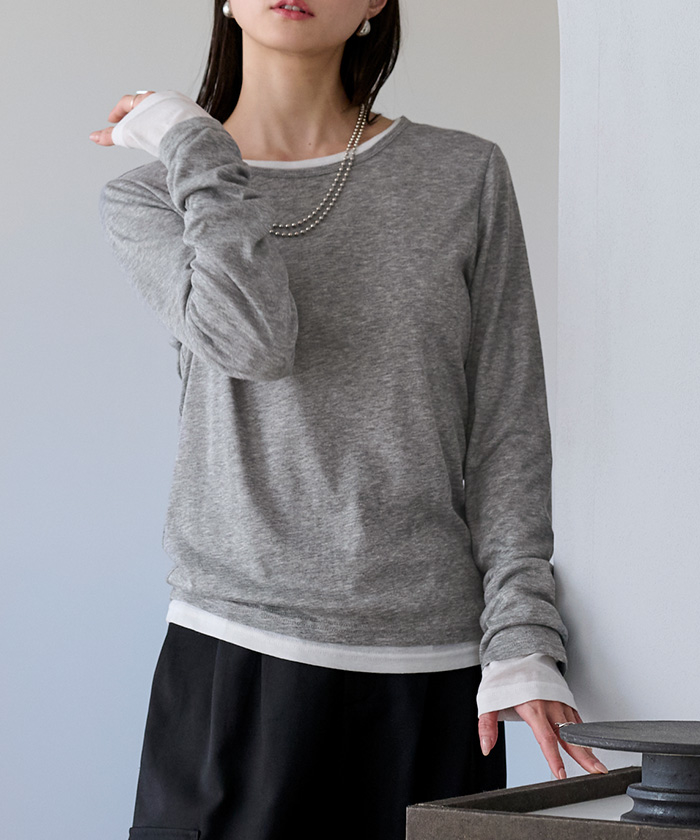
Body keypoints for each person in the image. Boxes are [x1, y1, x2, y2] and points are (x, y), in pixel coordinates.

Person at [90, 2, 606, 838]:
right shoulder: (153, 195)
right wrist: (194, 145)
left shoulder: (462, 174)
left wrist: (521, 631)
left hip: (434, 671)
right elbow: (254, 342)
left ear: (374, 3)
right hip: (238, 655)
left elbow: (508, 422)